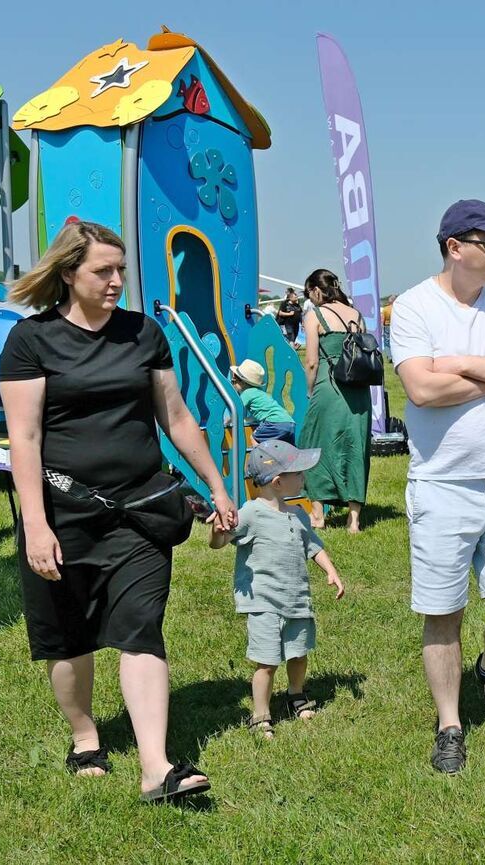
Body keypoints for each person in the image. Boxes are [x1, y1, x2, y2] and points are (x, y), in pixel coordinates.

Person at [0, 220, 237, 804]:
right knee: (69, 641)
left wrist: (218, 485)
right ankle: (85, 736)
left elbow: (175, 416)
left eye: (120, 270)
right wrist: (36, 524)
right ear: (68, 274)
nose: (115, 281)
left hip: (139, 511)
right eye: (103, 271)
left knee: (141, 628)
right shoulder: (31, 341)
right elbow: (24, 439)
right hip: (63, 514)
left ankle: (156, 767)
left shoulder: (142, 333)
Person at [390, 199, 485, 774]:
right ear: (455, 247)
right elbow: (422, 393)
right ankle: (450, 724)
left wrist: (457, 363)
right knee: (443, 609)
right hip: (441, 483)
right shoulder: (412, 306)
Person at [209, 440, 345, 739]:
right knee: (267, 661)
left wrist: (331, 570)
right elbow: (220, 543)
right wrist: (218, 531)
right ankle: (260, 715)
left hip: (297, 598)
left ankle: (295, 693)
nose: (304, 478)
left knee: (299, 653)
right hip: (264, 601)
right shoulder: (251, 513)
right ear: (278, 481)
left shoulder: (297, 513)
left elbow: (313, 546)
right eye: (299, 473)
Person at [298, 269, 371, 534]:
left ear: (317, 290)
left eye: (309, 293)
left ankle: (318, 515)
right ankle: (354, 519)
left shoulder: (314, 315)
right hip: (359, 391)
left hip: (329, 387)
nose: (310, 298)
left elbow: (312, 361)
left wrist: (310, 389)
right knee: (355, 446)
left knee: (313, 443)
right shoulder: (357, 315)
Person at [230, 359, 295, 444]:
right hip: (289, 423)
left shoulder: (246, 393)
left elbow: (236, 409)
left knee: (254, 438)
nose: (233, 382)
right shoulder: (259, 393)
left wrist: (228, 420)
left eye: (234, 380)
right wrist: (246, 420)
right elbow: (257, 416)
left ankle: (258, 456)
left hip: (274, 423)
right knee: (286, 448)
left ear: (242, 381)